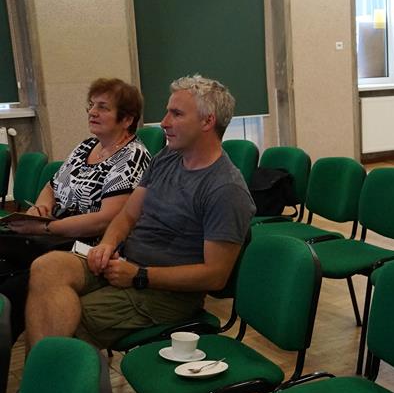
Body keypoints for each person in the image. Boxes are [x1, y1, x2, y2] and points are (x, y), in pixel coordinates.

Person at [23, 74, 255, 351]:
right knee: (47, 267)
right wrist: (107, 245)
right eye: (167, 112)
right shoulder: (167, 158)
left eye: (176, 114)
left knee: (60, 316)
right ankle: (48, 372)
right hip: (125, 264)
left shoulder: (225, 189)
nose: (164, 122)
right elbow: (127, 216)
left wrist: (140, 275)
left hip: (166, 294)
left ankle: (48, 375)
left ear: (207, 122)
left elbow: (214, 276)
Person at [0, 78, 152, 339]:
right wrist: (42, 206)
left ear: (127, 119)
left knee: (14, 289)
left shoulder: (133, 156)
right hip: (57, 238)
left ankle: (28, 355)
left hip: (94, 249)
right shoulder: (86, 147)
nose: (92, 112)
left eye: (103, 107)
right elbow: (52, 185)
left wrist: (46, 228)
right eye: (91, 105)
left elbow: (106, 220)